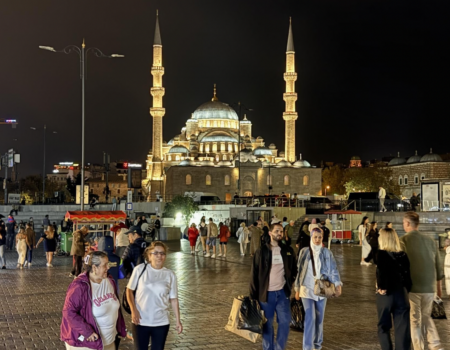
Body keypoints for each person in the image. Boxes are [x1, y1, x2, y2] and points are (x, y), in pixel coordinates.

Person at [61, 251, 126, 350]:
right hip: (86, 344)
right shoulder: (79, 286)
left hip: (109, 342)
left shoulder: (109, 280)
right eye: (105, 265)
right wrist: (87, 332)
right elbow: (68, 312)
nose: (108, 267)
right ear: (94, 268)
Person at [250, 223, 297, 350]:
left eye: (281, 231)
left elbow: (294, 269)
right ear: (270, 233)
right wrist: (253, 297)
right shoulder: (262, 251)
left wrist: (289, 283)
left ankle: (279, 348)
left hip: (282, 294)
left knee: (285, 322)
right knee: (267, 324)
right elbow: (254, 274)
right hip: (266, 295)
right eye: (277, 231)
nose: (279, 233)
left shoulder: (288, 250)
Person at [400, 211, 444, 350]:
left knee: (415, 320)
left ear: (407, 223)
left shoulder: (403, 241)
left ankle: (419, 347)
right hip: (429, 286)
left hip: (412, 287)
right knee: (426, 316)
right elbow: (438, 266)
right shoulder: (430, 240)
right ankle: (435, 344)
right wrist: (438, 288)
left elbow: (400, 265)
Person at [127, 242, 182, 350]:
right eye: (155, 253)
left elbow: (174, 299)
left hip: (161, 321)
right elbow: (129, 291)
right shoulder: (140, 269)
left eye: (162, 253)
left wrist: (178, 321)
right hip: (141, 320)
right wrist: (133, 310)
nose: (159, 256)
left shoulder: (170, 274)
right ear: (149, 255)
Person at [294, 227, 343, 350]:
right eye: (315, 237)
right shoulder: (304, 252)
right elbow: (299, 271)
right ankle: (307, 347)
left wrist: (337, 284)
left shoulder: (327, 252)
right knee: (310, 318)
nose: (317, 239)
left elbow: (333, 269)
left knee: (319, 319)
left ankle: (317, 344)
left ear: (322, 238)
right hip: (306, 289)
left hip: (322, 290)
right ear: (311, 237)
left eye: (319, 237)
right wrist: (297, 289)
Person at [376, 228, 412, 350]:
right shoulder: (403, 254)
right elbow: (407, 275)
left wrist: (382, 287)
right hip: (401, 293)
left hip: (386, 294)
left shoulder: (381, 254)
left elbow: (382, 272)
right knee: (403, 328)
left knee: (383, 326)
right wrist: (407, 289)